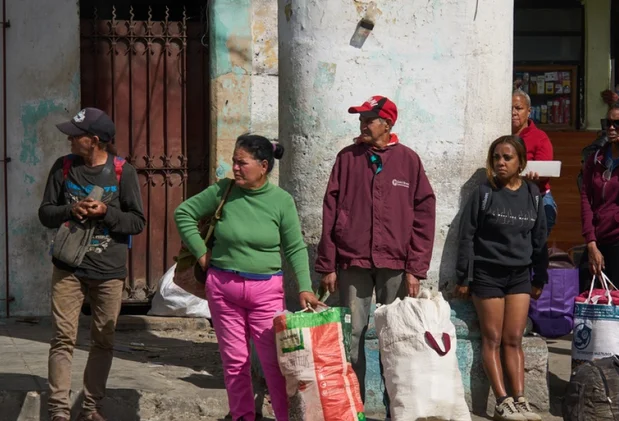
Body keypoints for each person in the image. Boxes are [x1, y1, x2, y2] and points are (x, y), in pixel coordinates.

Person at [174, 134, 320, 421]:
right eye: (234, 162)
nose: (235, 169)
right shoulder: (223, 191)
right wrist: (203, 254)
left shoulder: (281, 201)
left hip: (266, 291)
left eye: (242, 163)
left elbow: (294, 247)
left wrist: (305, 287)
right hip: (222, 289)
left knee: (273, 365)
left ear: (263, 165)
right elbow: (184, 213)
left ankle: (282, 416)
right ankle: (243, 416)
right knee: (235, 363)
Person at [316, 96, 436, 414]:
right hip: (352, 261)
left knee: (396, 336)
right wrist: (327, 264)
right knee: (352, 334)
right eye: (361, 119)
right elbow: (330, 212)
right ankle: (353, 408)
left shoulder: (408, 161)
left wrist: (416, 269)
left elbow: (424, 215)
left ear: (388, 124)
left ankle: (397, 407)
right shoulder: (347, 159)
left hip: (396, 265)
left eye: (369, 119)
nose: (362, 124)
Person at [38, 108, 145, 421]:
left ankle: (91, 407)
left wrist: (105, 213)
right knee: (62, 338)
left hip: (109, 272)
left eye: (76, 134)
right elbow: (45, 213)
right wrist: (72, 211)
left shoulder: (124, 172)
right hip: (67, 267)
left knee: (103, 340)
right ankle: (58, 411)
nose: (69, 138)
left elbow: (136, 222)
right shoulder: (64, 167)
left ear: (95, 140)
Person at [455, 135, 549, 421]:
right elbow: (466, 236)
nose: (500, 163)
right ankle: (502, 401)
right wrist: (463, 277)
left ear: (520, 161)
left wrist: (539, 277)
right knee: (492, 338)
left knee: (514, 338)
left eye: (507, 157)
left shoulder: (532, 194)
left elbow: (540, 238)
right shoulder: (484, 193)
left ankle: (521, 400)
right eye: (496, 157)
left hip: (519, 275)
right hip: (487, 275)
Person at [579, 99, 619, 290]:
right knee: (588, 294)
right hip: (598, 237)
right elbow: (586, 199)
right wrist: (590, 242)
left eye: (618, 123)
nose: (611, 128)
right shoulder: (596, 157)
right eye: (608, 123)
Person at [512, 89, 557, 235]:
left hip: (538, 196)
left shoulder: (540, 137)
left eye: (518, 108)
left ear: (529, 111)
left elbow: (545, 170)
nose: (513, 112)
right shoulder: (501, 135)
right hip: (509, 197)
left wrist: (532, 177)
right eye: (510, 108)